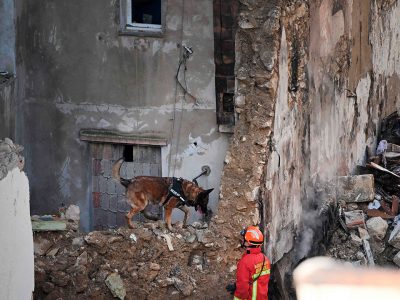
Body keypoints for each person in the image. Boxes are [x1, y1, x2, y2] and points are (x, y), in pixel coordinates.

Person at [227, 226, 271, 299]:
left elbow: (242, 289)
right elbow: (259, 281)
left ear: (248, 243)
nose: (242, 240)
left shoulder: (245, 262)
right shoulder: (265, 259)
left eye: (244, 238)